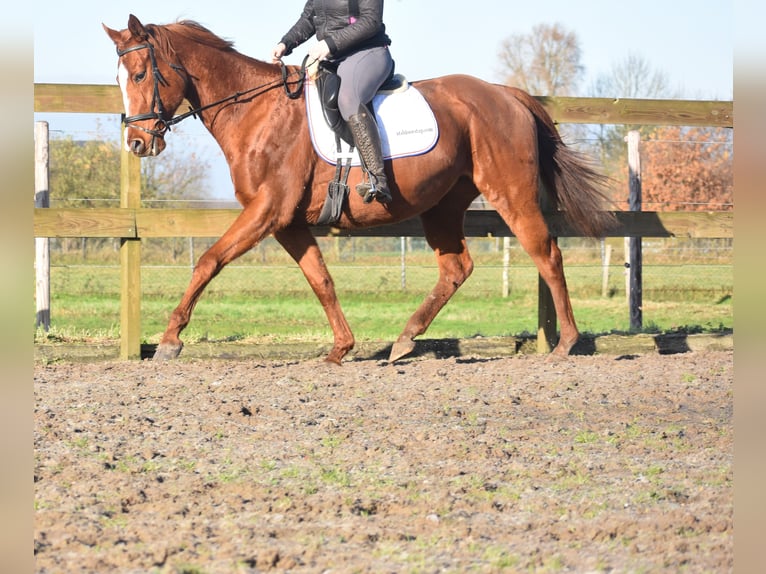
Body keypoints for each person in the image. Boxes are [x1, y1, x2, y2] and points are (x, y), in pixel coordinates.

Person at [271, 0, 394, 204]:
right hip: (333, 58)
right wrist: (286, 43)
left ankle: (377, 178)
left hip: (368, 52)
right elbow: (309, 18)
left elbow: (371, 21)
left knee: (348, 99)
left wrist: (330, 43)